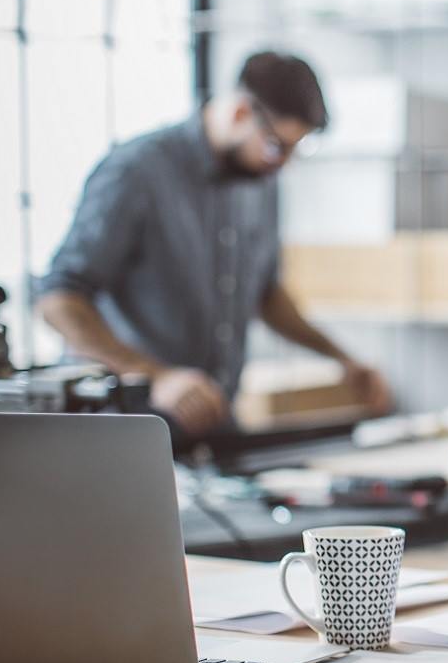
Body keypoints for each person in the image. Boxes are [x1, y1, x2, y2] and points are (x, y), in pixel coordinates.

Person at [38, 51, 391, 442]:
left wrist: (341, 358)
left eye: (295, 151)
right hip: (128, 432)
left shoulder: (261, 182)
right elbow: (58, 298)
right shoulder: (136, 171)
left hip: (214, 428)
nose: (284, 164)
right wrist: (155, 377)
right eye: (278, 145)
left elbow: (266, 294)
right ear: (240, 112)